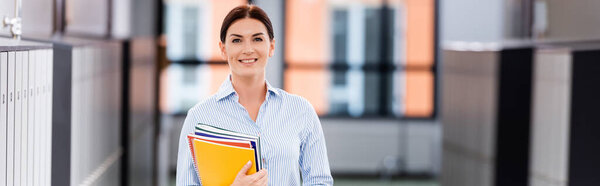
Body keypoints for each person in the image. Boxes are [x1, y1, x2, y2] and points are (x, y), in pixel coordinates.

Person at [176, 4, 334, 186]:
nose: (248, 49)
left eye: (257, 39)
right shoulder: (199, 117)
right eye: (237, 41)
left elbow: (319, 181)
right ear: (223, 49)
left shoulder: (301, 110)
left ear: (272, 46)